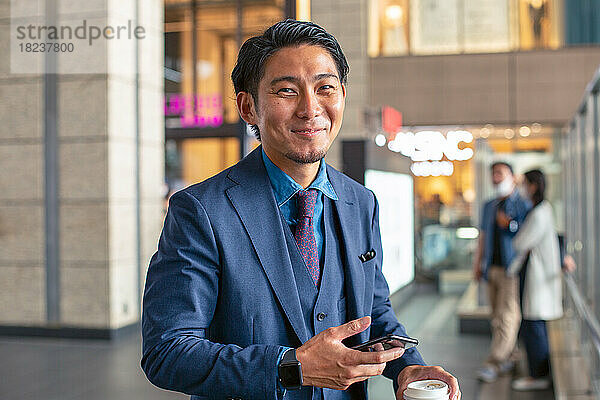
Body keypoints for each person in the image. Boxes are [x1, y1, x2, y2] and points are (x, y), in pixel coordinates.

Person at [141, 19, 460, 400]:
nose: (310, 109)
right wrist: (290, 367)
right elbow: (168, 351)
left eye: (325, 88)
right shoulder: (202, 211)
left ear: (342, 94)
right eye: (287, 91)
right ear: (248, 107)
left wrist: (408, 365)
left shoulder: (360, 201)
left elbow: (374, 310)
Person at [507, 170, 575, 391]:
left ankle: (539, 375)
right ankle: (538, 372)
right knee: (534, 325)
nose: (522, 188)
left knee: (534, 326)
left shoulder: (539, 212)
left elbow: (520, 242)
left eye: (525, 184)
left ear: (534, 186)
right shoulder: (542, 210)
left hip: (538, 278)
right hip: (536, 276)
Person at [473, 162, 531, 382]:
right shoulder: (489, 205)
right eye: (493, 174)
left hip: (511, 270)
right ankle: (510, 354)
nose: (495, 177)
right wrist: (478, 264)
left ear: (512, 177)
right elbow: (483, 237)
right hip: (492, 268)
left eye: (500, 173)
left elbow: (529, 235)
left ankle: (495, 361)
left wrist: (510, 224)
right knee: (497, 316)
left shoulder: (522, 204)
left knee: (508, 315)